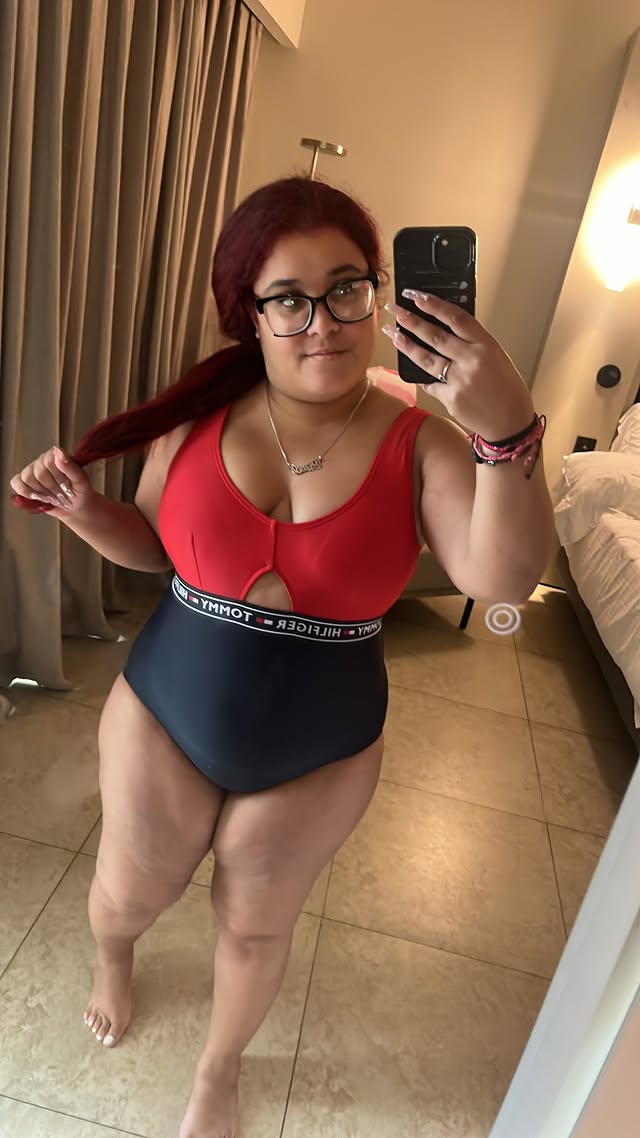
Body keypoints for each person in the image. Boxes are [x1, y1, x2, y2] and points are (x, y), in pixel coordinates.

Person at [10, 176, 553, 1138]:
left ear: (378, 292)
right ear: (250, 314)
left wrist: (506, 430)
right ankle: (114, 957)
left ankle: (218, 1069)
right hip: (166, 709)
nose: (323, 323)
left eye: (345, 289)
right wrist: (85, 512)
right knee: (129, 890)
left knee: (256, 924)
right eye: (288, 299)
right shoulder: (197, 415)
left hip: (322, 743)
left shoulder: (426, 445)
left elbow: (501, 581)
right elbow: (155, 549)